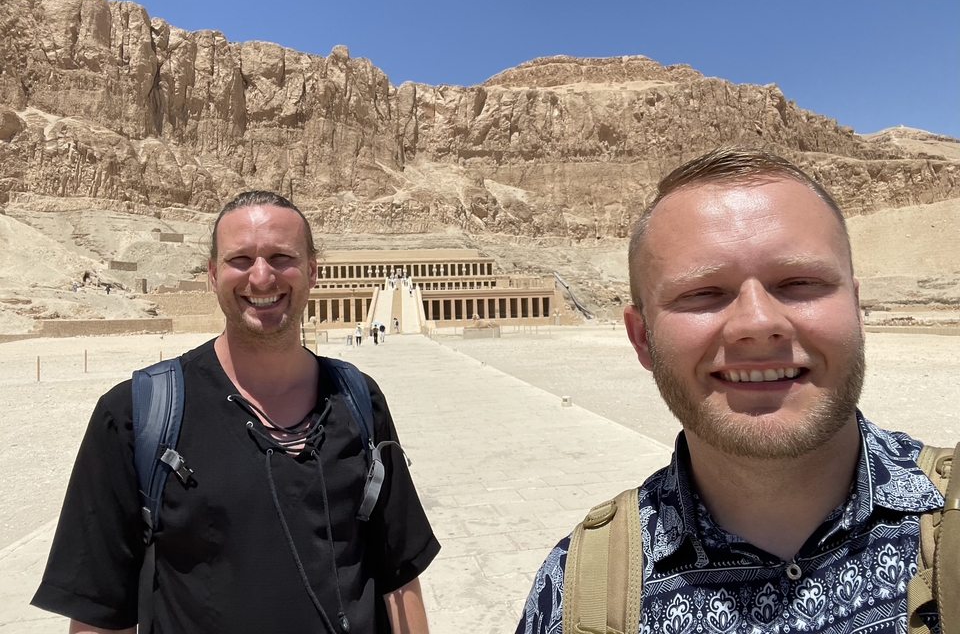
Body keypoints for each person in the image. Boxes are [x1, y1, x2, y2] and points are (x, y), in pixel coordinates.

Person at [516, 146, 947, 633]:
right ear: (642, 340)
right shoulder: (576, 594)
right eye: (703, 293)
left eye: (799, 282)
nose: (758, 324)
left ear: (856, 308)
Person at [33, 191, 439, 634]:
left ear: (313, 271)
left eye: (282, 256)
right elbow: (100, 612)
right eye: (240, 259)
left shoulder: (359, 398)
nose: (262, 278)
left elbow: (399, 577)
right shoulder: (135, 414)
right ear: (211, 274)